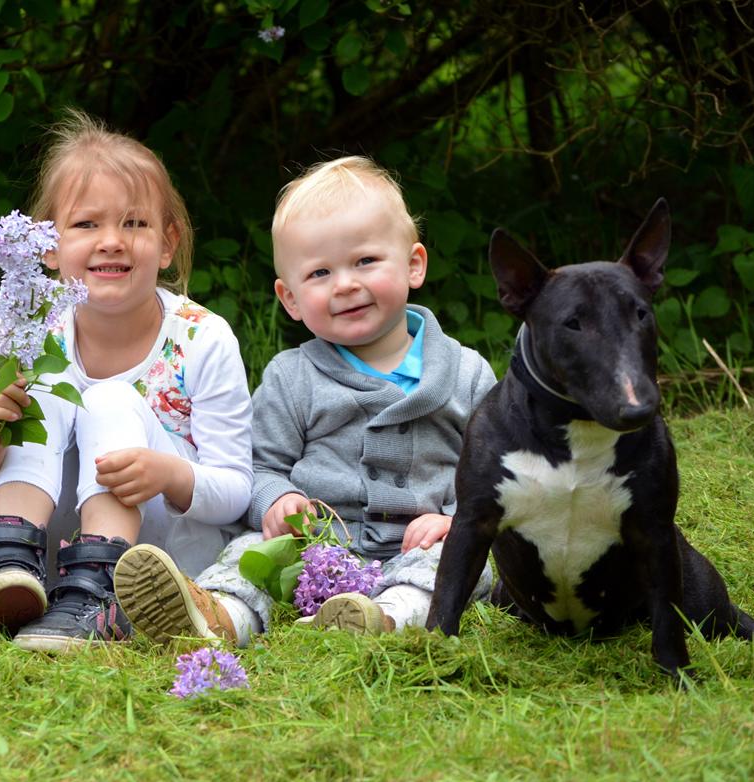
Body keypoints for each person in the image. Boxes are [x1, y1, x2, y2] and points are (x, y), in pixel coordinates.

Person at [114, 156, 494, 646]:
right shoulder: (292, 376)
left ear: (413, 265)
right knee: (253, 554)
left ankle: (384, 619)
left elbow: (493, 474)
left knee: (454, 565)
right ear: (290, 299)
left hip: (420, 543)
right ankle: (216, 617)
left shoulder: (466, 373)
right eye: (319, 273)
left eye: (365, 261)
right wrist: (279, 501)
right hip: (314, 545)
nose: (345, 284)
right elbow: (256, 468)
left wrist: (453, 518)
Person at [0, 110, 252, 653]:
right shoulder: (32, 334)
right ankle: (11, 564)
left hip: (158, 554)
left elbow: (236, 491)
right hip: (56, 543)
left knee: (110, 397)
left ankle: (99, 592)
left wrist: (168, 473)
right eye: (87, 224)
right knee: (37, 392)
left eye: (134, 224)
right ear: (48, 244)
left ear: (167, 244)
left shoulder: (203, 338)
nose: (111, 241)